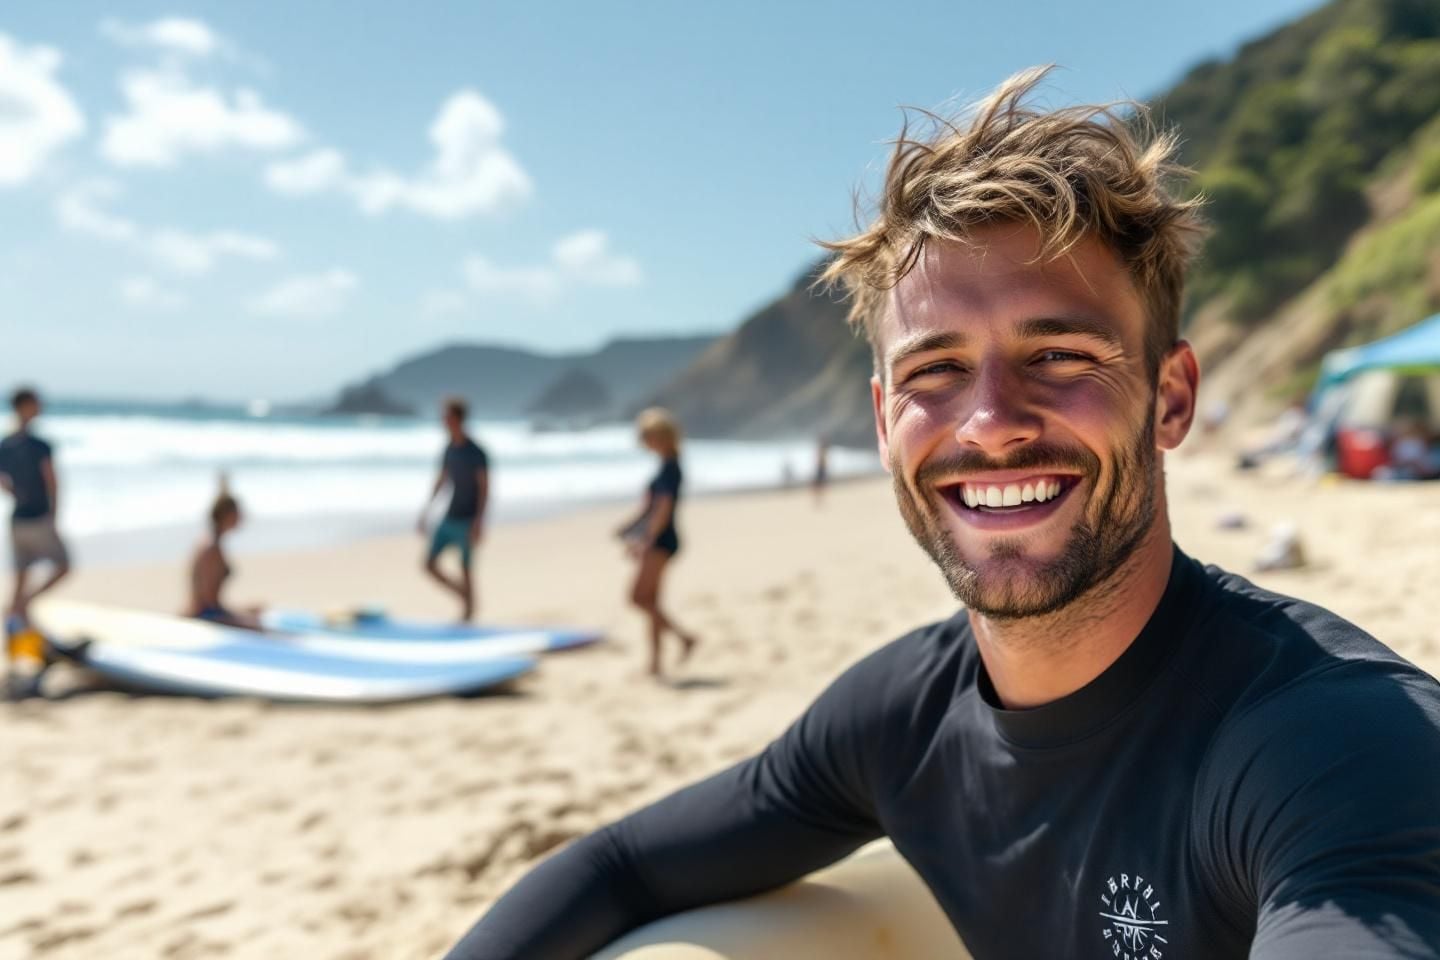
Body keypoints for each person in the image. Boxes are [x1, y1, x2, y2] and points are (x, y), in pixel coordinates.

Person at [443, 68, 1440, 959]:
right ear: (884, 422)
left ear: (1170, 397)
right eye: (937, 371)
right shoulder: (903, 721)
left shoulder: (1335, 745)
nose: (993, 425)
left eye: (1060, 357)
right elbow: (624, 865)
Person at [616, 408, 697, 677]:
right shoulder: (667, 466)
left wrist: (644, 540)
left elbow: (662, 509)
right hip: (662, 538)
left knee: (637, 598)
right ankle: (655, 663)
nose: (645, 442)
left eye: (648, 436)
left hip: (661, 541)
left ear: (661, 436)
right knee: (652, 601)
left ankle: (684, 638)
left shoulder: (670, 468)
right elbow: (650, 509)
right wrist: (629, 528)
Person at [1, 387, 70, 623]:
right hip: (38, 516)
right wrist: (54, 513)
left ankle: (15, 627)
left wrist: (14, 493)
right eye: (36, 402)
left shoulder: (6, 444)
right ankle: (23, 606)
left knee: (21, 577)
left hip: (17, 518)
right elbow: (52, 481)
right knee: (64, 566)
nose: (40, 406)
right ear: (24, 406)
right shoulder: (39, 445)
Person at [418, 397, 489, 621]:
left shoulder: (476, 452)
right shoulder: (449, 449)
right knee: (429, 564)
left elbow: (484, 488)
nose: (443, 421)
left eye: (447, 416)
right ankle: (464, 596)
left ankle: (468, 614)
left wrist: (479, 521)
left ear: (458, 418)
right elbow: (441, 480)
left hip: (468, 519)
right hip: (450, 516)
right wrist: (427, 510)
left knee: (466, 568)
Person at [186, 481, 261, 629]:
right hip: (204, 615)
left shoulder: (213, 543)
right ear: (227, 516)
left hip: (210, 611)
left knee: (258, 614)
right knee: (259, 626)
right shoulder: (211, 548)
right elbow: (208, 602)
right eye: (238, 513)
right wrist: (241, 616)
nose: (242, 517)